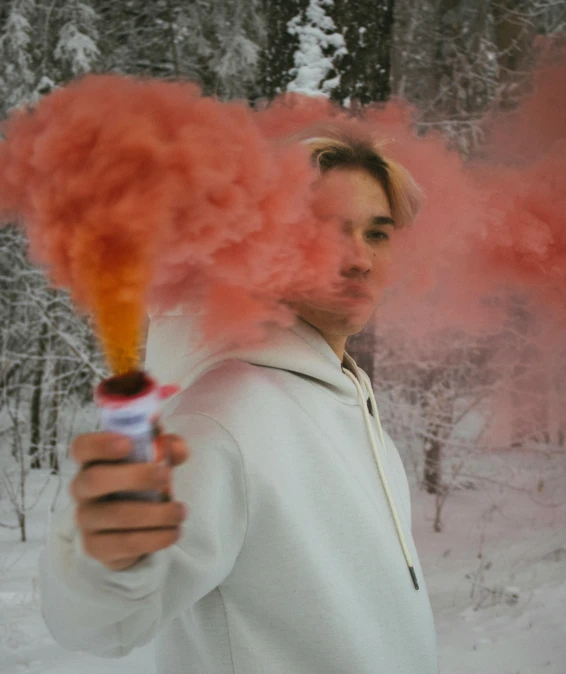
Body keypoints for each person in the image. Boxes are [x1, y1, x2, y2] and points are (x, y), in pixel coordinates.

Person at [39, 125, 439, 673]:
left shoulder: (350, 402)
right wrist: (102, 557)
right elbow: (100, 622)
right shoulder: (220, 421)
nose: (359, 259)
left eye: (377, 233)